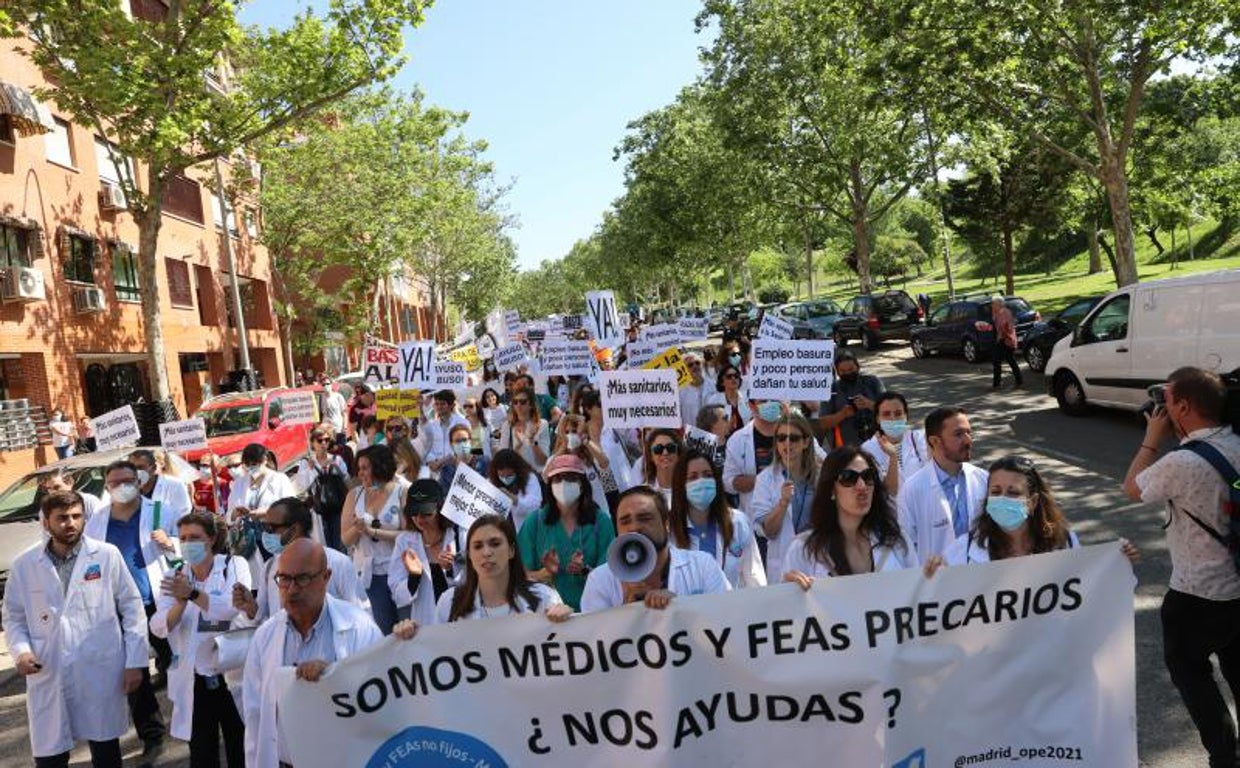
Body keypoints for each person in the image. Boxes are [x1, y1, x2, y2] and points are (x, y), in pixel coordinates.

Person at [1123, 367, 1240, 768]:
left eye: (1167, 403)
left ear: (1184, 407)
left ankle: (1225, 756)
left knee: (1191, 674)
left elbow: (1133, 487)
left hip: (1196, 594)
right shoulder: (1236, 441)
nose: (1162, 410)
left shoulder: (1183, 463)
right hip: (1238, 587)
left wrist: (1151, 439)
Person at [3, 491, 148, 768]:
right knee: (50, 754)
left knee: (106, 750)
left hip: (100, 667)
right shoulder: (25, 565)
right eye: (61, 518)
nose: (70, 523)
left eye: (76, 516)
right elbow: (13, 617)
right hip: (49, 667)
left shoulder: (106, 555)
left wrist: (135, 662)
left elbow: (132, 608)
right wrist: (21, 652)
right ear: (45, 523)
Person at [242, 540, 385, 768]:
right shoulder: (265, 637)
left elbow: (380, 700)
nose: (292, 589)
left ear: (326, 577)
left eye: (302, 579)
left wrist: (332, 679)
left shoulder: (360, 628)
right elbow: (255, 716)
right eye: (284, 579)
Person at [83, 460, 176, 761]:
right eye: (115, 483)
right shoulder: (97, 522)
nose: (122, 487)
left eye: (128, 480)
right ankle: (153, 736)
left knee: (179, 661)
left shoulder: (161, 512)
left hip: (158, 601)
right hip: (119, 608)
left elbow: (192, 543)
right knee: (134, 672)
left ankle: (197, 720)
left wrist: (170, 541)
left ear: (139, 481)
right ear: (107, 487)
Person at [150, 512, 251, 767]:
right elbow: (159, 626)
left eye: (194, 537)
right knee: (202, 754)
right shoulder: (173, 577)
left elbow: (230, 609)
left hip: (232, 675)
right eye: (182, 538)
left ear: (212, 538)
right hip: (194, 680)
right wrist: (181, 602)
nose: (187, 544)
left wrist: (193, 593)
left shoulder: (234, 565)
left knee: (241, 748)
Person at [782, 447, 917, 588]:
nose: (862, 486)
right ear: (831, 490)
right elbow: (786, 607)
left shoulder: (896, 541)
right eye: (848, 478)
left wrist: (933, 576)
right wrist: (789, 590)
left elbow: (918, 593)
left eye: (867, 476)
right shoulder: (804, 549)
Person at [581, 486, 730, 612]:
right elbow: (595, 641)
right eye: (625, 521)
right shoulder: (599, 581)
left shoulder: (703, 566)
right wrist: (625, 613)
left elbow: (726, 618)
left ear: (666, 524)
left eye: (645, 518)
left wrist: (680, 608)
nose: (634, 527)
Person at [231, 497, 362, 627]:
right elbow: (266, 618)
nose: (265, 534)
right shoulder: (269, 568)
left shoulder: (337, 562)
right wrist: (251, 607)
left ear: (294, 530)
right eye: (264, 527)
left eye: (271, 528)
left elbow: (358, 614)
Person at [428, 513, 570, 623]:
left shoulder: (544, 598)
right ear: (469, 555)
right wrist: (410, 637)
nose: (487, 552)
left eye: (495, 543)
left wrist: (565, 624)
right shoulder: (449, 603)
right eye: (478, 546)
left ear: (511, 550)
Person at [518, 454, 615, 612]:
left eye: (571, 478)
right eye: (557, 479)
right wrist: (543, 574)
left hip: (594, 613)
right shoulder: (534, 522)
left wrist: (585, 571)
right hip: (548, 615)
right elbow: (517, 576)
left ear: (582, 484)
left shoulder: (601, 522)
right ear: (550, 485)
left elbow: (612, 576)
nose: (563, 484)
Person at [897, 406, 988, 559]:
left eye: (969, 432)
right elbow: (906, 548)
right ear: (935, 441)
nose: (968, 440)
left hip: (981, 575)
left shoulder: (983, 479)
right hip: (936, 579)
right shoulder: (912, 489)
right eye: (958, 434)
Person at [668, 450, 765, 589]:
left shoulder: (737, 522)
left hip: (732, 608)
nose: (702, 481)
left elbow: (754, 576)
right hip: (687, 609)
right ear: (680, 485)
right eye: (693, 477)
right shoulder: (669, 529)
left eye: (708, 475)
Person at [751, 414, 824, 583]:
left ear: (806, 442)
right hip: (783, 563)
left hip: (819, 559)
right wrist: (782, 504)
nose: (787, 443)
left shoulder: (821, 476)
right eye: (781, 438)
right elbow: (768, 532)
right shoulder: (765, 479)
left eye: (794, 438)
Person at [341, 444, 405, 634]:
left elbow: (409, 535)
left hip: (401, 570)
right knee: (384, 630)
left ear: (379, 466)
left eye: (365, 468)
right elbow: (345, 539)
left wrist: (374, 533)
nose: (360, 473)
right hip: (370, 575)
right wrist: (358, 529)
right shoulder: (354, 496)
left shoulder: (401, 492)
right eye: (358, 468)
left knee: (406, 625)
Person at [390, 479, 461, 625]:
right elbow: (397, 594)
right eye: (414, 513)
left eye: (426, 513)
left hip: (458, 618)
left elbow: (472, 581)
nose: (419, 519)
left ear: (440, 509)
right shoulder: (404, 541)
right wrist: (414, 576)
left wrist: (450, 570)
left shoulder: (457, 536)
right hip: (425, 623)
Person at [225, 443, 297, 577]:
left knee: (278, 573)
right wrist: (235, 513)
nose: (251, 468)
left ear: (264, 460)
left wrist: (267, 513)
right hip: (247, 539)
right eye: (248, 465)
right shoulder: (239, 484)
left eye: (255, 464)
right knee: (254, 579)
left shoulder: (279, 480)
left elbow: (292, 508)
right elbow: (228, 515)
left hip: (273, 535)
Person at [860, 392, 931, 497]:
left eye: (898, 414)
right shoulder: (868, 449)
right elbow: (889, 492)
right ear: (878, 419)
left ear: (906, 416)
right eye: (886, 414)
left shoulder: (919, 438)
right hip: (893, 512)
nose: (893, 418)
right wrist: (893, 457)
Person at [293, 425, 350, 552]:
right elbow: (300, 487)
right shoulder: (306, 463)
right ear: (312, 443)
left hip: (337, 507)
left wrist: (336, 469)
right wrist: (311, 470)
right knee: (324, 544)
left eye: (327, 440)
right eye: (319, 440)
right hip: (318, 508)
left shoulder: (337, 459)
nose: (324, 443)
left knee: (339, 542)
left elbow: (347, 480)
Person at [817, 350, 885, 449]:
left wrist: (869, 404)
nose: (848, 373)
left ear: (858, 367)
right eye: (843, 371)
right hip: (848, 449)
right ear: (837, 371)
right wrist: (843, 414)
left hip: (879, 443)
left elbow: (890, 410)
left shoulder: (872, 382)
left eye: (851, 369)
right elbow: (822, 424)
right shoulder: (831, 390)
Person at [553, 412, 617, 512]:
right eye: (566, 432)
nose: (570, 435)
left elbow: (605, 464)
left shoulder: (591, 457)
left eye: (574, 431)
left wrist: (585, 440)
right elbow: (546, 477)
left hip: (599, 518)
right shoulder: (558, 460)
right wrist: (563, 446)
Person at [131, 448, 193, 531]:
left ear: (153, 468)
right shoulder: (128, 488)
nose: (136, 471)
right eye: (132, 468)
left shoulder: (174, 484)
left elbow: (183, 515)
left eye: (141, 467)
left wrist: (167, 535)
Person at [490, 448, 545, 531]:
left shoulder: (529, 478)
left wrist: (513, 499)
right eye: (502, 476)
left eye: (509, 476)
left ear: (517, 469)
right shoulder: (492, 481)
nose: (505, 478)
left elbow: (535, 505)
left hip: (525, 529)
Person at [499, 387, 551, 471]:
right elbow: (504, 460)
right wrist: (519, 445)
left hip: (537, 475)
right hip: (518, 475)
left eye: (523, 402)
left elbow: (543, 461)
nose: (518, 405)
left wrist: (533, 441)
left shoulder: (542, 424)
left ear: (531, 405)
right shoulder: (507, 426)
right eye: (515, 402)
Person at [38, 469, 105, 520]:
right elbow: (47, 536)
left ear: (70, 483)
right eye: (49, 489)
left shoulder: (89, 502)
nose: (52, 492)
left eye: (57, 487)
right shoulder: (45, 511)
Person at [640, 428, 683, 508]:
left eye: (670, 448)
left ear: (678, 454)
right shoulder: (643, 494)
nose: (665, 453)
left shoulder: (691, 489)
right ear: (651, 456)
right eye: (658, 449)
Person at [440, 423, 490, 488]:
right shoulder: (447, 470)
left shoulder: (484, 462)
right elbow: (444, 493)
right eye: (457, 441)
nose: (462, 444)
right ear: (451, 444)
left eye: (464, 440)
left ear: (470, 441)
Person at [705, 364, 750, 434]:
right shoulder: (714, 401)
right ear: (722, 382)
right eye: (729, 376)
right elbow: (708, 425)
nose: (733, 378)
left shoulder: (747, 398)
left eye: (736, 376)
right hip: (723, 441)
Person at [990, 295, 1024, 389]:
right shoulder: (997, 312)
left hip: (1006, 340)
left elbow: (1004, 327)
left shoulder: (1005, 313)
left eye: (993, 303)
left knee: (1003, 361)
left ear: (999, 304)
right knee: (1004, 361)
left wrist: (999, 337)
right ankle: (1017, 381)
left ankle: (998, 384)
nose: (992, 305)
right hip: (1003, 340)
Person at [679, 352, 708, 428]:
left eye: (697, 363)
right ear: (684, 370)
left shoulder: (714, 386)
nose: (695, 366)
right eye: (690, 365)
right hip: (691, 435)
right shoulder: (680, 392)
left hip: (712, 434)